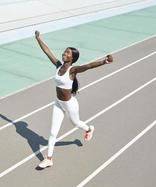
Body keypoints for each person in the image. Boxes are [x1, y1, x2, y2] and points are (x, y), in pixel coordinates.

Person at [35, 30, 113, 169]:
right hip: (58, 103)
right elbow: (47, 52)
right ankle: (49, 159)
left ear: (72, 58)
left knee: (76, 123)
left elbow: (88, 66)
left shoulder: (72, 70)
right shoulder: (58, 65)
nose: (64, 54)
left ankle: (89, 128)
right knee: (53, 132)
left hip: (70, 104)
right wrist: (38, 39)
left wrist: (104, 61)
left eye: (67, 53)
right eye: (64, 52)